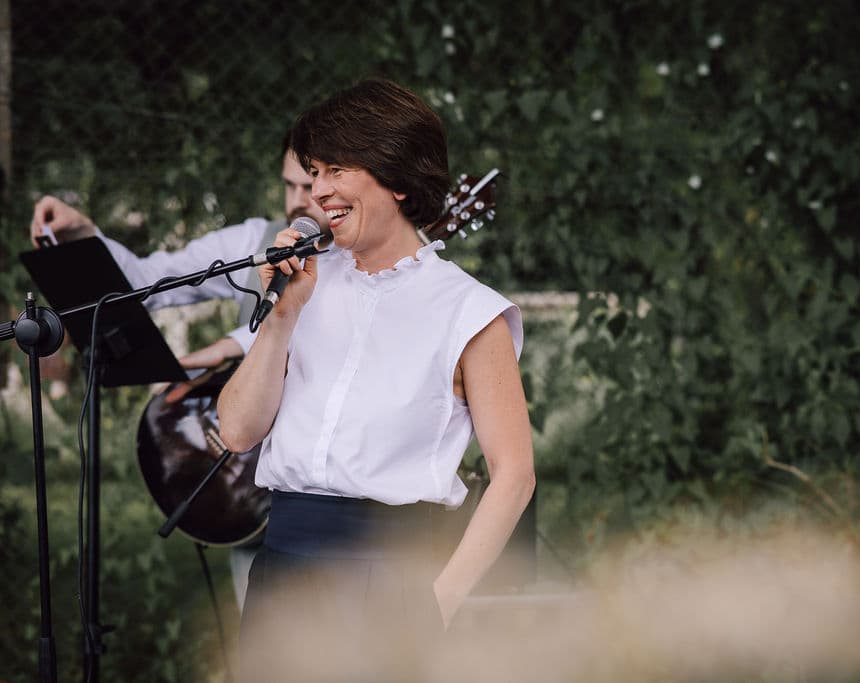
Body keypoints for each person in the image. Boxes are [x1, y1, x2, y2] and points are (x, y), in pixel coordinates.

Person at [216, 79, 535, 680]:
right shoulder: (305, 284)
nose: (318, 190)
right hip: (282, 560)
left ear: (398, 177)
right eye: (314, 170)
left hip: (389, 574)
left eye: (337, 168)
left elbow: (515, 475)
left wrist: (436, 604)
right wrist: (281, 317)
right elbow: (236, 431)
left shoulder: (468, 311)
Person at [27, 136, 330, 609]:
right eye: (288, 186)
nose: (295, 203)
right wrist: (85, 234)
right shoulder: (253, 238)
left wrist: (224, 347)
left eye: (308, 187)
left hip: (322, 495)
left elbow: (324, 329)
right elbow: (150, 283)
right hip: (240, 476)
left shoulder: (362, 259)